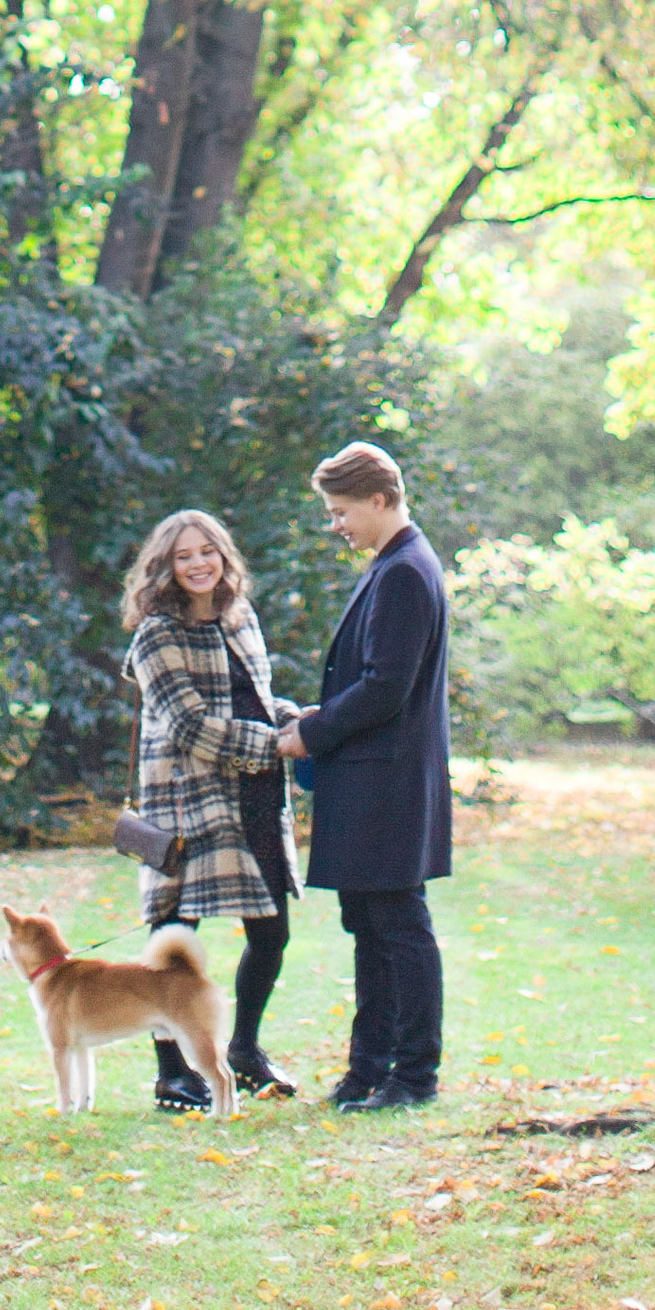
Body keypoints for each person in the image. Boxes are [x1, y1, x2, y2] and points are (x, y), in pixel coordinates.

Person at [276, 438, 450, 1111]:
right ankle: (369, 1068)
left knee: (398, 930)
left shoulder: (405, 570)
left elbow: (386, 689)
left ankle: (413, 1076)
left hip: (388, 785)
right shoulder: (395, 564)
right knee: (371, 929)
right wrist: (326, 712)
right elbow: (378, 679)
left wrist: (310, 734)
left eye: (343, 510)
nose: (337, 524)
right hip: (375, 781)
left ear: (381, 500)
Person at [120, 506, 304, 1108]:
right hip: (184, 803)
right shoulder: (156, 634)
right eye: (184, 556)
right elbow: (189, 727)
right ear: (165, 567)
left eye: (208, 552)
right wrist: (274, 743)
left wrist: (296, 720)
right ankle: (172, 1070)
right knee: (173, 938)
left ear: (224, 556)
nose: (198, 564)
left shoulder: (239, 618)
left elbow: (256, 696)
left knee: (271, 932)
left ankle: (244, 1051)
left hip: (252, 793)